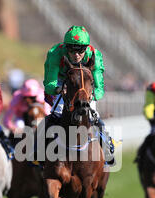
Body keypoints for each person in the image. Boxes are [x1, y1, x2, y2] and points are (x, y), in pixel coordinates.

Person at [41, 25, 115, 164]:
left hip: (85, 84)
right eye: (71, 49)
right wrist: (58, 90)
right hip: (63, 82)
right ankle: (38, 150)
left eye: (80, 50)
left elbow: (99, 88)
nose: (76, 54)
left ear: (86, 48)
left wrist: (91, 95)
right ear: (65, 47)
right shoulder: (56, 53)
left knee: (93, 115)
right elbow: (50, 83)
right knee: (56, 113)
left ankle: (107, 146)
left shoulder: (94, 55)